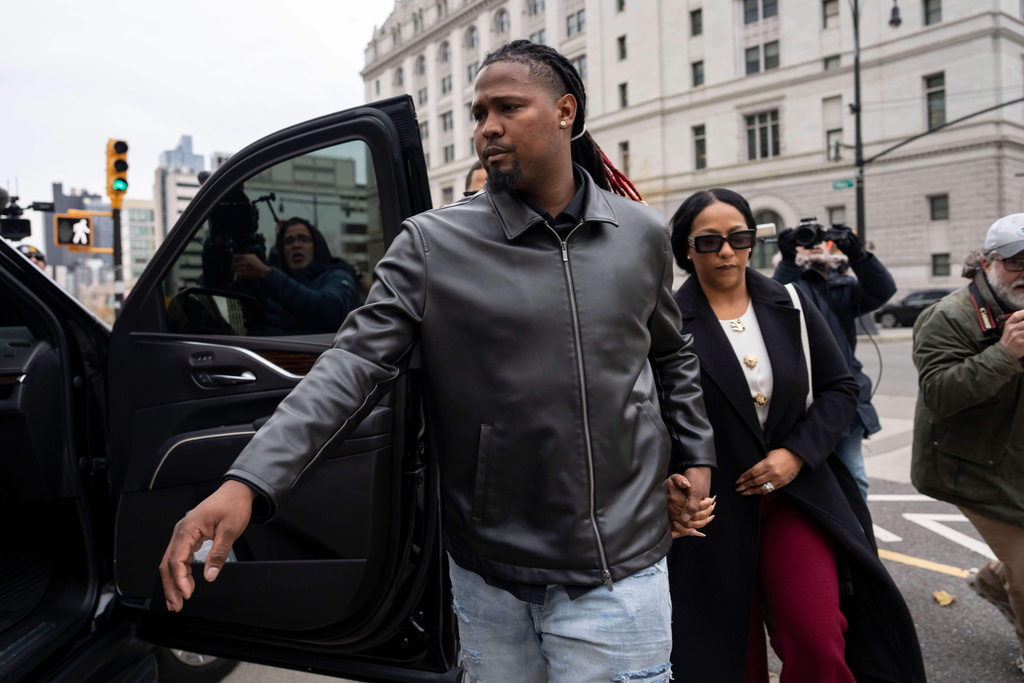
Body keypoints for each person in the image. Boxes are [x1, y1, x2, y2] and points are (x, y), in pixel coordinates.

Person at [159, 39, 716, 682]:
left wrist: (695, 456)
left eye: (507, 107)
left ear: (566, 112)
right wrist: (248, 482)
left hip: (622, 569)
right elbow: (348, 369)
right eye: (480, 113)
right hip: (491, 578)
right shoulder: (431, 244)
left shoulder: (640, 234)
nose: (488, 128)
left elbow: (672, 354)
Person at [668, 189, 925, 683]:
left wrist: (796, 454)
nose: (727, 251)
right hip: (708, 513)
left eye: (739, 237)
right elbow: (651, 416)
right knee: (723, 658)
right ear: (686, 250)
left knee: (817, 637)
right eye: (709, 241)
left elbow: (840, 387)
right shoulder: (665, 322)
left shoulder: (790, 301)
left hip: (793, 498)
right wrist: (669, 483)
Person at [911, 213, 1024, 677]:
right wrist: (1004, 353)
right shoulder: (948, 316)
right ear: (989, 262)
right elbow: (939, 393)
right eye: (1019, 262)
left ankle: (993, 581)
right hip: (972, 465)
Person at [774, 222, 897, 500]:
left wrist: (858, 255)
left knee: (854, 477)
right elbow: (776, 304)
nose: (814, 244)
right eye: (805, 240)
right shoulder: (791, 284)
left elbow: (883, 290)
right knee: (811, 481)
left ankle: (860, 538)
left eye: (820, 240)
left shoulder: (845, 286)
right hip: (804, 400)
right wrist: (788, 259)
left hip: (845, 395)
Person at [233, 217, 360, 334]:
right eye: (288, 241)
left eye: (303, 239)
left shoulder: (338, 275)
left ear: (317, 246)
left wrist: (266, 273)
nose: (296, 245)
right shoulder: (274, 284)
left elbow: (328, 310)